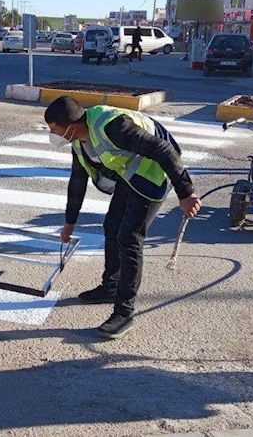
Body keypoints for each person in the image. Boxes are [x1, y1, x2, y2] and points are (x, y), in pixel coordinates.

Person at [45, 96, 201, 339]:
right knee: (112, 226)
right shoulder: (78, 141)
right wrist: (69, 223)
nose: (51, 134)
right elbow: (77, 180)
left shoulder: (113, 128)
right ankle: (110, 287)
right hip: (131, 174)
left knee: (129, 238)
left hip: (154, 173)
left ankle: (124, 313)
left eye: (54, 129)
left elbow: (164, 150)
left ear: (71, 127)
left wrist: (186, 193)